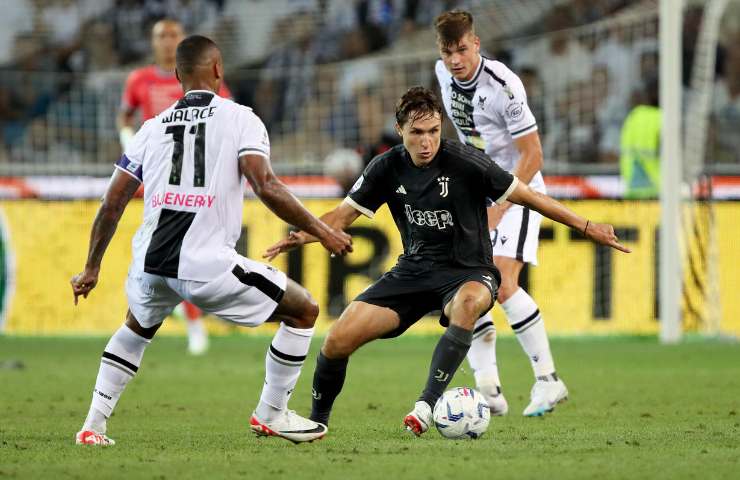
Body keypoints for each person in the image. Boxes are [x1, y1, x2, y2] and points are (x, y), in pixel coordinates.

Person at [263, 86, 629, 436]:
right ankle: (316, 422)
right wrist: (303, 235)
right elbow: (340, 218)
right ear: (399, 131)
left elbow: (529, 196)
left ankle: (426, 405)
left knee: (468, 305)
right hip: (414, 272)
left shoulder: (467, 163)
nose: (427, 141)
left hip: (469, 272)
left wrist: (586, 225)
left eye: (434, 131)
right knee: (336, 341)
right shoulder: (385, 167)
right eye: (417, 132)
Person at [70, 35, 352, 446]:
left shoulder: (150, 129)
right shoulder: (241, 118)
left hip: (150, 262)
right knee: (303, 309)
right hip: (203, 264)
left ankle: (92, 427)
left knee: (136, 326)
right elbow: (266, 184)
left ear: (177, 76)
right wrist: (324, 230)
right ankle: (272, 413)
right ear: (219, 69)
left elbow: (112, 201)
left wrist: (92, 266)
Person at [433, 10, 565, 416]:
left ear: (476, 44)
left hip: (519, 191)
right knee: (465, 288)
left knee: (504, 283)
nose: (455, 59)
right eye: (447, 51)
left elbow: (533, 154)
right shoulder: (441, 74)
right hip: (478, 192)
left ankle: (548, 381)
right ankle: (488, 387)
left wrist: (502, 204)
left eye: (461, 49)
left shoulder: (504, 86)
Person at [118, 18, 231, 355]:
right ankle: (186, 323)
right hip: (158, 173)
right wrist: (131, 148)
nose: (167, 42)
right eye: (161, 36)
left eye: (173, 36)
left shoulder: (204, 79)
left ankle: (179, 321)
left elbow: (226, 114)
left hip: (196, 175)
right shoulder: (139, 79)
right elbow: (125, 117)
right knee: (167, 251)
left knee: (174, 251)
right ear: (153, 42)